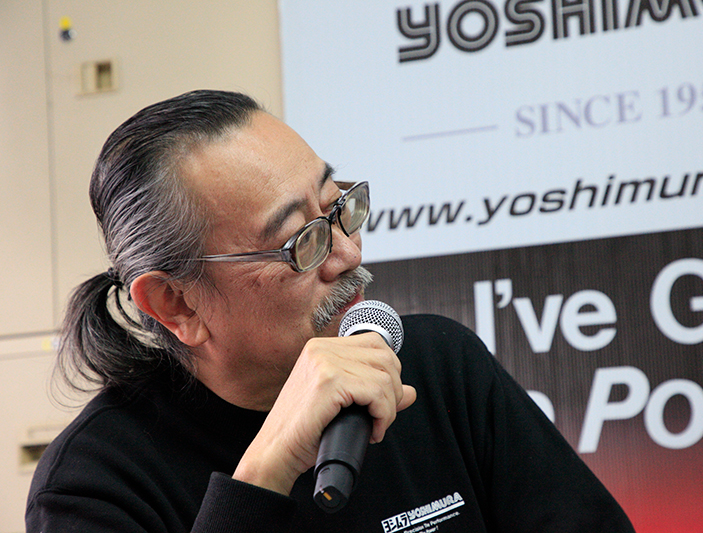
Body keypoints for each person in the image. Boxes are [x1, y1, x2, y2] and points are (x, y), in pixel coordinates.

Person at [26, 90, 635, 532]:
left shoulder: (438, 366)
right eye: (302, 241)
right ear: (176, 303)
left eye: (337, 206)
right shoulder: (95, 482)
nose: (348, 253)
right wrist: (263, 472)